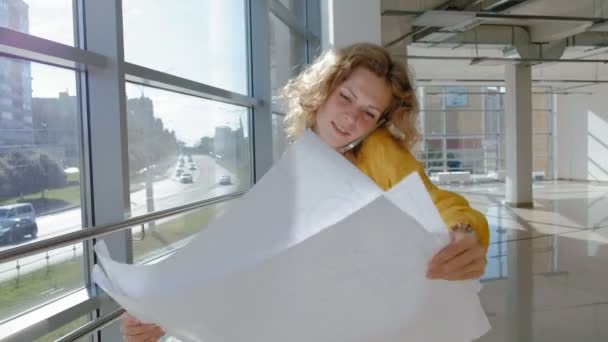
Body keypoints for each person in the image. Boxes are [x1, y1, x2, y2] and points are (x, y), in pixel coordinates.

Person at [120, 42, 489, 341]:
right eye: (346, 97)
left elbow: (442, 204)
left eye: (370, 112)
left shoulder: (377, 152)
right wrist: (163, 310)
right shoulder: (299, 162)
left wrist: (465, 232)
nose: (351, 119)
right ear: (323, 89)